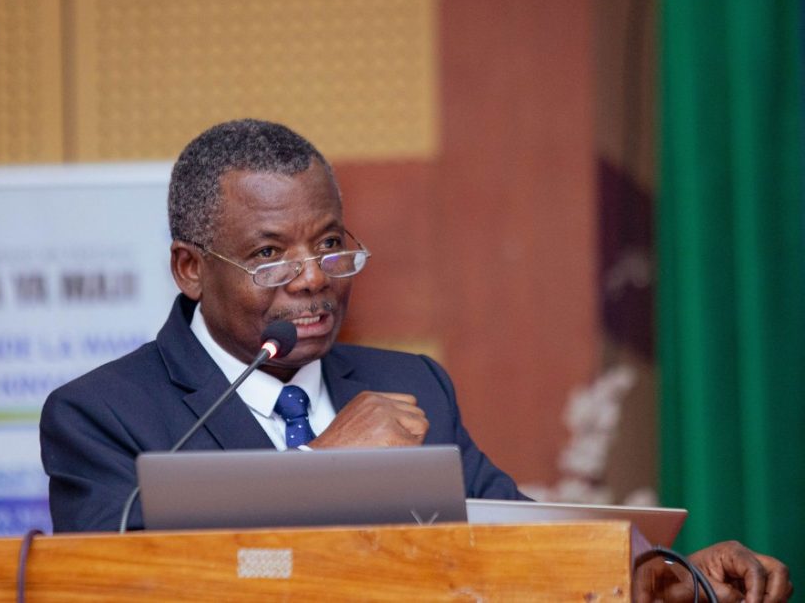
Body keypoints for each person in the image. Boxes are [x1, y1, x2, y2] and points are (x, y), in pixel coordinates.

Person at [40, 119, 792, 602]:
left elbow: (523, 542)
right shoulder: (102, 414)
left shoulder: (410, 383)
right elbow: (119, 582)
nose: (313, 278)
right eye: (270, 254)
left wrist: (662, 576)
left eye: (329, 243)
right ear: (190, 268)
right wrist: (323, 470)